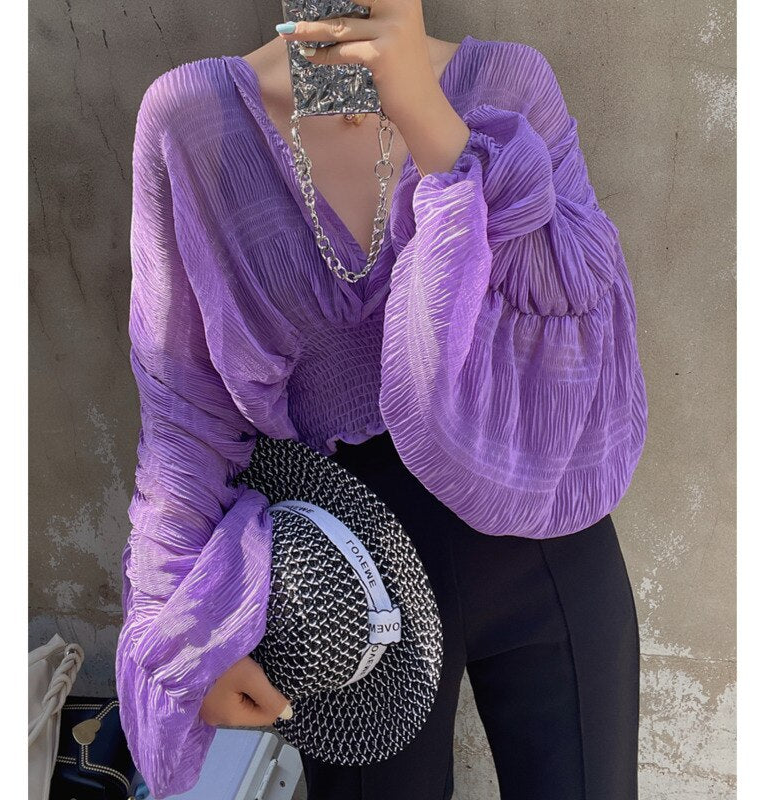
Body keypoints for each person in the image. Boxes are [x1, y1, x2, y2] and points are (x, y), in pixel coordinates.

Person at [115, 2, 648, 799]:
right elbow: (183, 406)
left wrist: (434, 126)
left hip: (546, 538)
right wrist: (178, 634)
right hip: (346, 580)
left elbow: (580, 332)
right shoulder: (193, 120)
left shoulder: (510, 83)